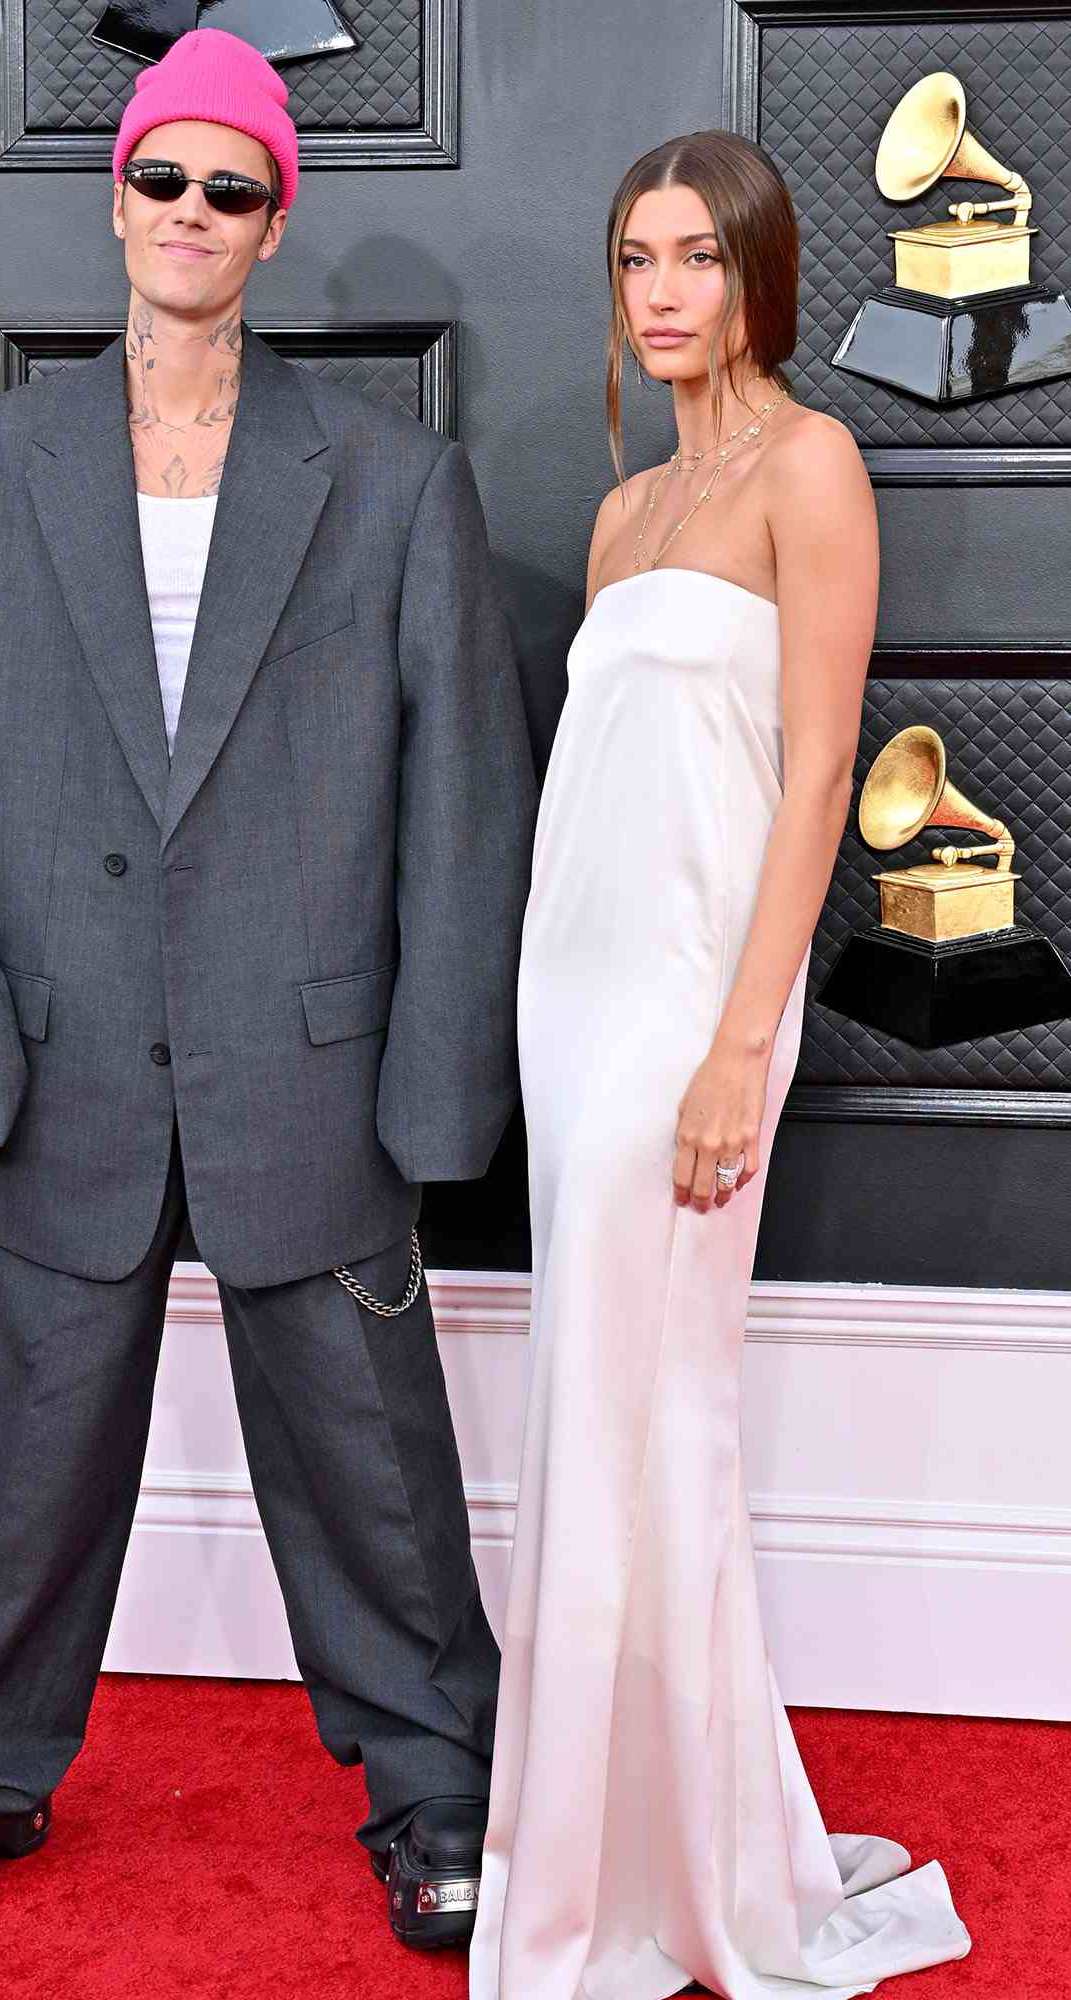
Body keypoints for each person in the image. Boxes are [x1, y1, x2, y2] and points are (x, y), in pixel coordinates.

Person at [0, 28, 536, 1943]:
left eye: (232, 187)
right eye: (163, 178)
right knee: (18, 1464)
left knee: (373, 1469)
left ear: (275, 221)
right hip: (55, 1063)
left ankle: (437, 1784)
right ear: (112, 195)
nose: (191, 213)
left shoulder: (391, 483)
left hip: (313, 1062)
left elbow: (463, 806)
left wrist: (435, 1097)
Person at [469, 131, 971, 1999]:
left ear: (758, 274)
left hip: (690, 1010)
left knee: (659, 1423)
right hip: (568, 994)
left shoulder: (812, 466)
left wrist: (738, 1041)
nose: (662, 289)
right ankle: (601, 1850)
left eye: (695, 255)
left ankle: (690, 1876)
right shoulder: (622, 517)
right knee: (586, 1423)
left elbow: (820, 774)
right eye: (632, 258)